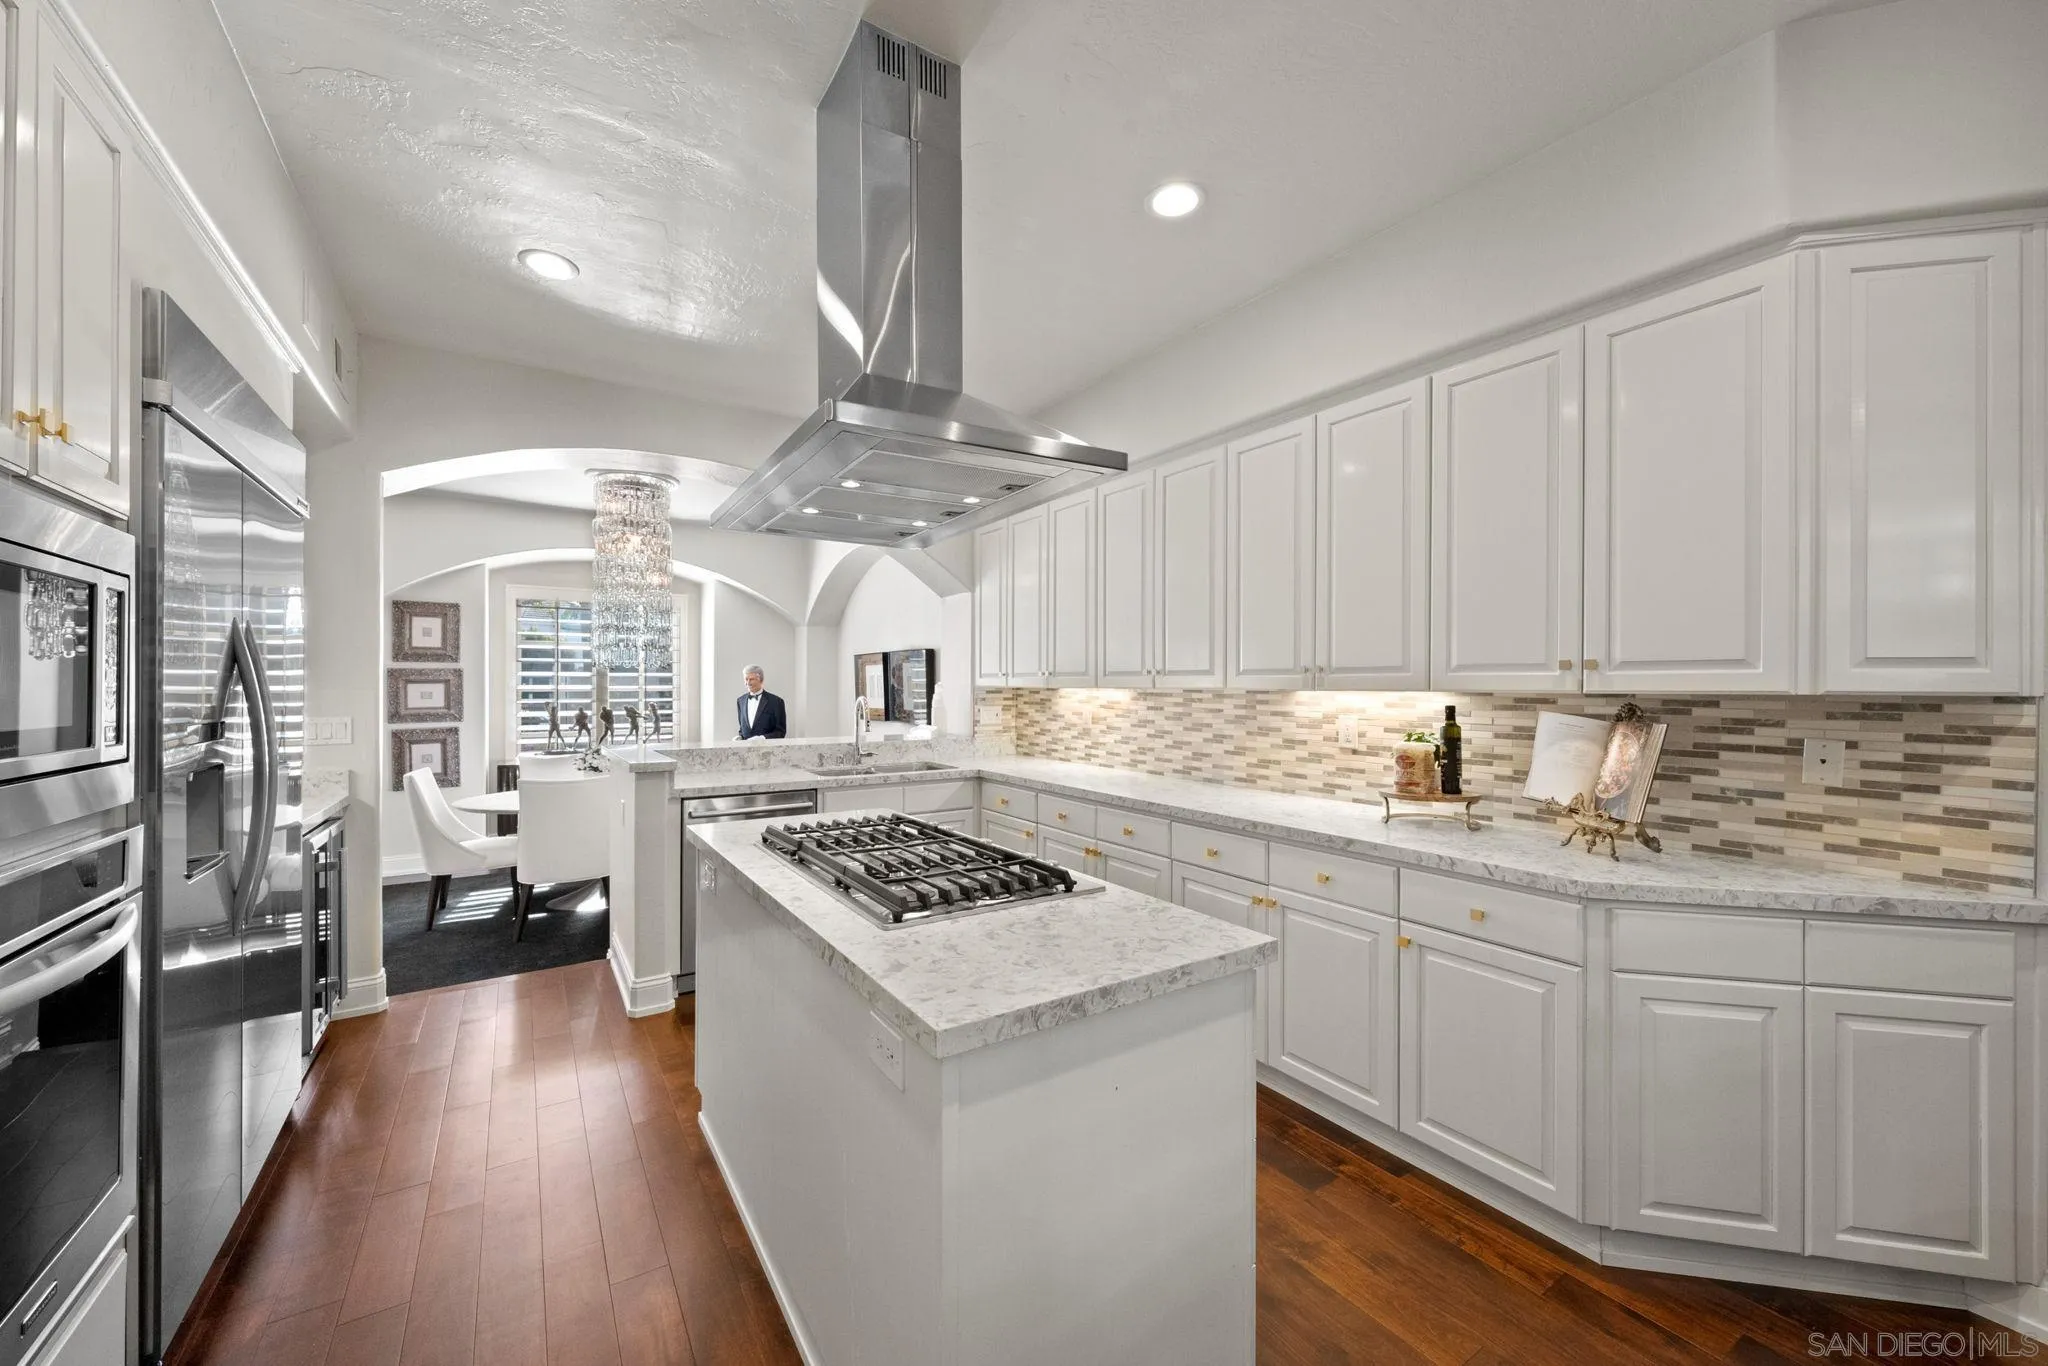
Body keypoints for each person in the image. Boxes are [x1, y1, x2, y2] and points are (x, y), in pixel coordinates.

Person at [735, 665, 787, 740]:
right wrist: (740, 737)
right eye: (746, 679)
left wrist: (762, 738)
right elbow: (742, 729)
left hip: (767, 747)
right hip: (745, 747)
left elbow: (780, 732)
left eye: (751, 679)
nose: (748, 683)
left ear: (761, 680)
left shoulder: (777, 702)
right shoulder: (740, 701)